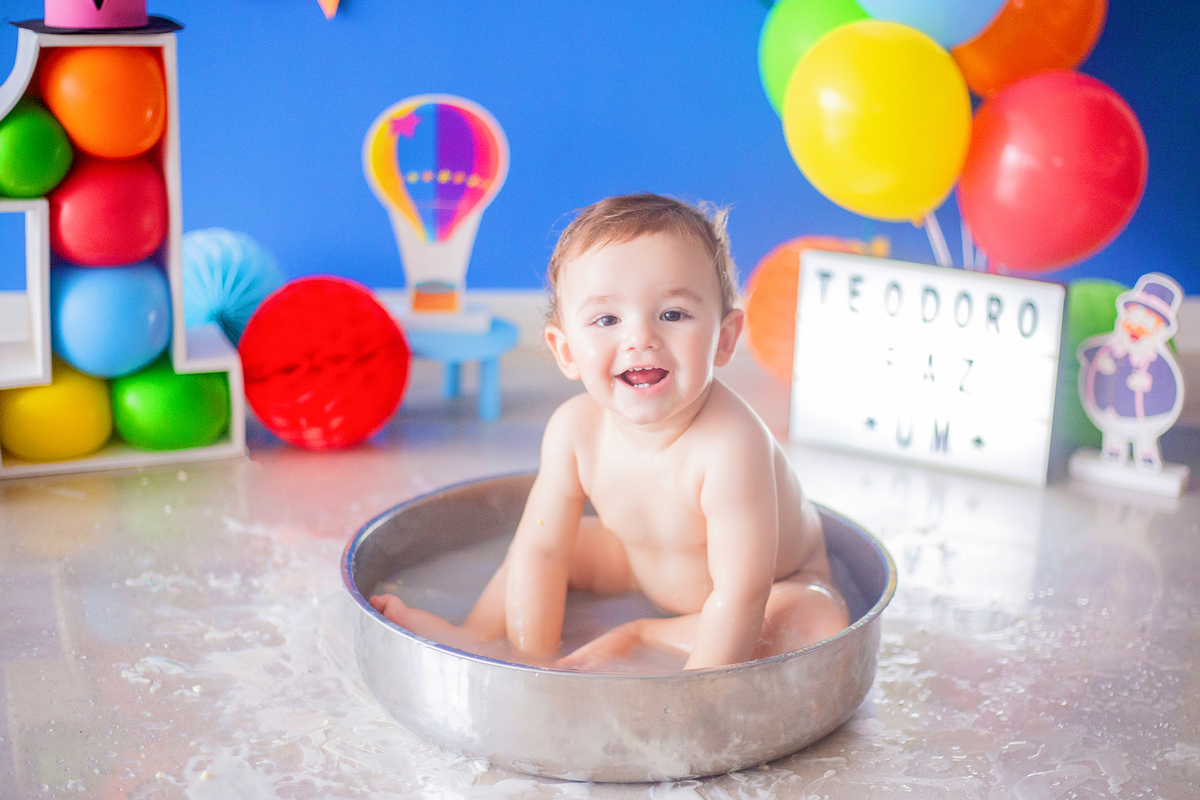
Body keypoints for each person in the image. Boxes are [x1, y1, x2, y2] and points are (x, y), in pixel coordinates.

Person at [371, 193, 849, 671]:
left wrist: (698, 696)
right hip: (644, 567)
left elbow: (742, 592)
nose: (640, 338)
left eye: (673, 314)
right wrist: (534, 666)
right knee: (547, 548)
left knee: (815, 614)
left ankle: (643, 635)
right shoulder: (574, 431)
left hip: (771, 589)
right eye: (607, 319)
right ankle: (484, 638)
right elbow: (542, 552)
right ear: (566, 352)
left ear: (724, 339)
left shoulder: (731, 444)